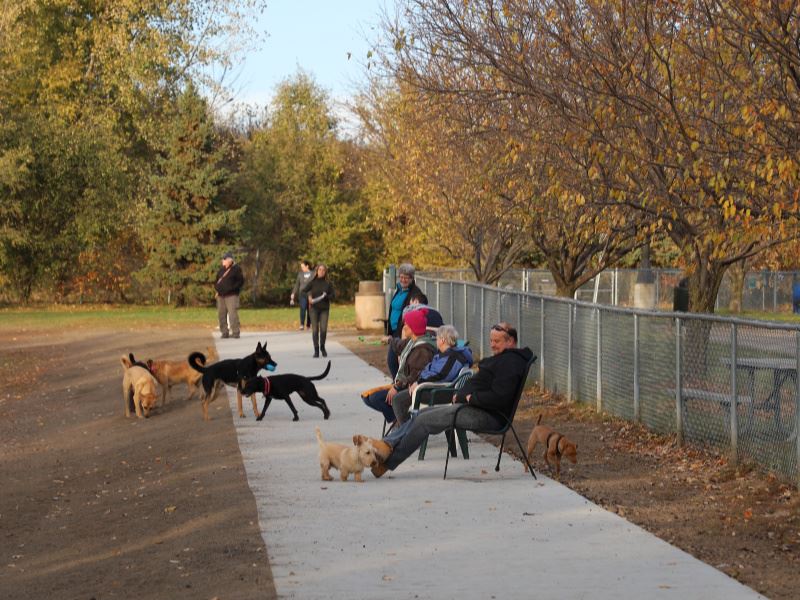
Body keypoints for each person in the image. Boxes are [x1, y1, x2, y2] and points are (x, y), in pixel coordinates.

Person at [367, 321, 533, 477]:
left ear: (511, 341)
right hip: (475, 408)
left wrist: (469, 397)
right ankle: (386, 446)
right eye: (491, 340)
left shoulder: (510, 363)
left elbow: (499, 398)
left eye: (497, 341)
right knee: (421, 415)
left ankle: (386, 460)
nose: (492, 345)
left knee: (424, 421)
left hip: (488, 415)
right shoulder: (505, 359)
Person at [362, 309, 436, 427]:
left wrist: (397, 386)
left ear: (413, 328)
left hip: (412, 388)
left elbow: (415, 376)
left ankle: (403, 425)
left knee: (376, 398)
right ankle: (399, 421)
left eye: (407, 325)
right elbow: (399, 345)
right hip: (404, 384)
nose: (404, 327)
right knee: (367, 397)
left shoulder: (422, 350)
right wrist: (390, 340)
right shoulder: (412, 341)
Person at [391, 324, 473, 424]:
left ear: (442, 340)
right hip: (434, 388)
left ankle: (408, 431)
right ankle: (408, 428)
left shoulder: (452, 357)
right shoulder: (447, 354)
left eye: (437, 338)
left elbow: (440, 375)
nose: (436, 341)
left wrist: (419, 383)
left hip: (438, 392)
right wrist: (417, 381)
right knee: (400, 397)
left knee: (397, 400)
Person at [386, 263, 421, 378]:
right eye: (401, 277)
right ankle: (397, 382)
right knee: (393, 362)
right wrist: (389, 332)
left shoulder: (415, 294)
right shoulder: (399, 290)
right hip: (394, 331)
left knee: (394, 361)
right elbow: (393, 310)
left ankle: (399, 383)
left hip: (404, 332)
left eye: (406, 277)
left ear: (411, 278)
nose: (403, 280)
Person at [301, 264, 335, 358]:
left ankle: (322, 347)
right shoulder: (312, 282)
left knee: (323, 329)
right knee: (315, 330)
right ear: (317, 271)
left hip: (324, 309)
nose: (321, 271)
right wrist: (309, 296)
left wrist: (326, 296)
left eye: (323, 270)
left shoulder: (328, 283)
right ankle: (316, 350)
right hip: (314, 309)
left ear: (325, 272)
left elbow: (333, 295)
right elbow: (303, 291)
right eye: (320, 270)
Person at [214, 251, 244, 339]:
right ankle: (224, 332)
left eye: (224, 259)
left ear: (229, 260)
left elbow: (241, 281)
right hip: (221, 296)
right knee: (221, 314)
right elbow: (217, 280)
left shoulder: (236, 269)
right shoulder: (221, 270)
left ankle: (235, 332)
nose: (222, 260)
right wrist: (217, 289)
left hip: (231, 296)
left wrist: (233, 288)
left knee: (232, 314)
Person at [290, 260, 313, 330]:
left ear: (307, 266)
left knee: (310, 310)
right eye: (301, 267)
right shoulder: (300, 274)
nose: (302, 268)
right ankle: (302, 324)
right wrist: (293, 293)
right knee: (302, 308)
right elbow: (297, 284)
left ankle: (308, 325)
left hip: (310, 294)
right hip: (302, 294)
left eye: (303, 267)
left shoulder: (313, 274)